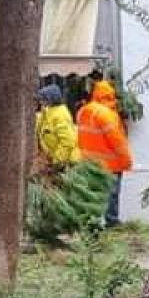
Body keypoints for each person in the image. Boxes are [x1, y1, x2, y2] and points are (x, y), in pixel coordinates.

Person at [77, 80, 133, 226]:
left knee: (93, 194)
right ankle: (112, 222)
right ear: (110, 95)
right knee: (112, 195)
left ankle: (91, 223)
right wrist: (126, 160)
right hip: (110, 163)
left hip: (89, 162)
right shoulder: (107, 114)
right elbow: (117, 141)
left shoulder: (83, 111)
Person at [34, 84, 81, 166]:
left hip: (67, 161)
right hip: (55, 158)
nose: (40, 102)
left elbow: (67, 143)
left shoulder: (60, 115)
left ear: (51, 100)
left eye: (43, 99)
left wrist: (57, 161)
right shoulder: (47, 111)